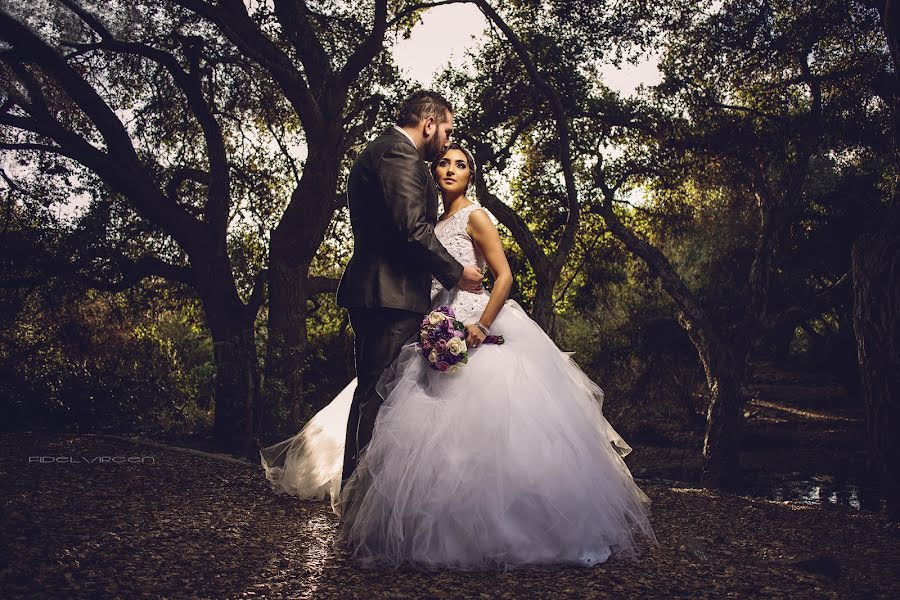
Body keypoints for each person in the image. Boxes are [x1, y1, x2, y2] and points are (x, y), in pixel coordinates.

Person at [260, 141, 657, 571]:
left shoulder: (476, 216)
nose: (450, 169)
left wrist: (481, 326)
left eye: (461, 164)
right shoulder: (430, 221)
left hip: (474, 325)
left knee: (485, 426)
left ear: (471, 174)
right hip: (433, 324)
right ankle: (409, 525)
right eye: (444, 163)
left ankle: (501, 530)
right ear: (433, 172)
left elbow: (504, 276)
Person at [331, 90, 485, 500]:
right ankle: (360, 497)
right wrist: (457, 274)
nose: (446, 139)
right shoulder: (398, 154)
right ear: (430, 123)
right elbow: (412, 230)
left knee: (375, 393)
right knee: (378, 395)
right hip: (388, 296)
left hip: (382, 293)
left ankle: (362, 494)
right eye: (446, 129)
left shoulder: (381, 151)